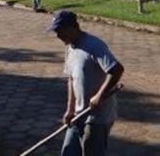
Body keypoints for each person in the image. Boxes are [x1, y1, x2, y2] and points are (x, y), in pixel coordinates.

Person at [48, 10, 124, 156]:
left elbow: (117, 69)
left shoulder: (94, 45)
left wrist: (99, 95)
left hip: (97, 117)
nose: (57, 35)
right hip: (78, 114)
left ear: (73, 27)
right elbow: (71, 78)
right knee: (68, 152)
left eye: (60, 30)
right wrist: (70, 109)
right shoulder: (69, 47)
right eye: (56, 31)